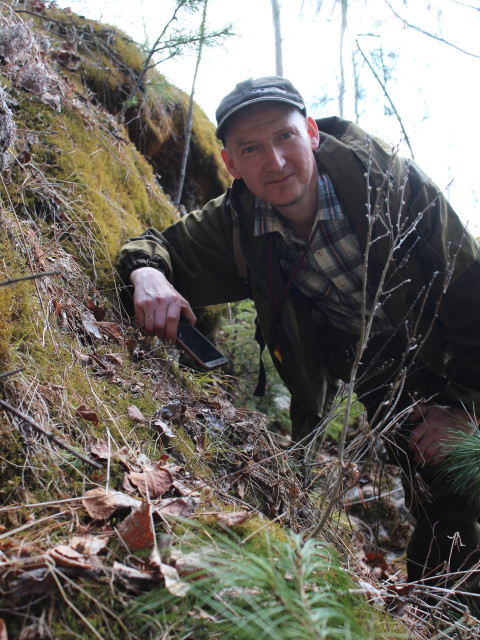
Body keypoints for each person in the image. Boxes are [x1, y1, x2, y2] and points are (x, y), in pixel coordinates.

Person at [118, 76, 480, 592]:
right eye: (251, 148)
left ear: (311, 132)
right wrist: (146, 272)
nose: (275, 160)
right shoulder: (238, 225)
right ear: (231, 165)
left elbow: (471, 292)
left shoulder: (390, 184)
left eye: (285, 137)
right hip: (383, 375)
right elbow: (154, 246)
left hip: (458, 351)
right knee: (442, 497)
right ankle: (439, 614)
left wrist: (466, 413)